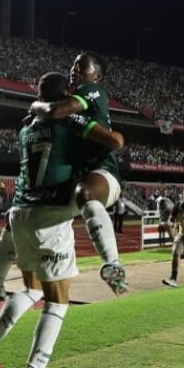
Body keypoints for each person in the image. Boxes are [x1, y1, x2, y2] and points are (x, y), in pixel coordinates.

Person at [0, 72, 124, 368]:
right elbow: (113, 142)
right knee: (57, 301)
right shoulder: (69, 121)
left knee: (31, 288)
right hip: (49, 217)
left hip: (20, 214)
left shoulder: (27, 127)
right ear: (66, 95)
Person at [28, 52, 126, 294]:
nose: (75, 69)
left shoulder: (93, 91)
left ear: (97, 76)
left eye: (82, 67)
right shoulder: (69, 113)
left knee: (86, 194)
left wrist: (35, 106)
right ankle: (28, 278)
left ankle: (113, 264)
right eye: (73, 65)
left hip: (101, 171)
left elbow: (56, 111)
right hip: (73, 177)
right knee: (26, 216)